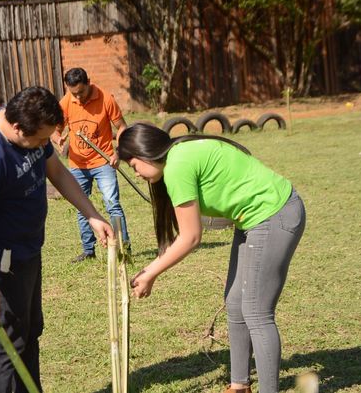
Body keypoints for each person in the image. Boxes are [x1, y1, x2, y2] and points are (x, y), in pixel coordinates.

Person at [117, 123, 306, 393]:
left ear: (145, 153)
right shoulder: (180, 153)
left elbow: (191, 237)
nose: (135, 173)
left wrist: (150, 273)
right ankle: (239, 385)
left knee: (257, 312)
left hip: (273, 215)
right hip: (253, 220)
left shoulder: (176, 167)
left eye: (134, 165)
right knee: (235, 303)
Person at [0, 86, 113, 393]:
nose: (46, 146)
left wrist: (92, 215)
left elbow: (56, 171)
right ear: (17, 128)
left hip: (27, 250)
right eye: (41, 139)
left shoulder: (31, 129)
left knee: (30, 330)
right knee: (6, 343)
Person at [50, 67, 130, 263]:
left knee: (112, 205)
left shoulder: (105, 99)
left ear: (88, 83)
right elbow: (54, 130)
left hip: (103, 161)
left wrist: (117, 152)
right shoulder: (66, 102)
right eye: (73, 93)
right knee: (81, 206)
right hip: (77, 164)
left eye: (81, 92)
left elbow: (122, 127)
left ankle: (124, 247)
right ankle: (88, 250)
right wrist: (58, 138)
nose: (77, 97)